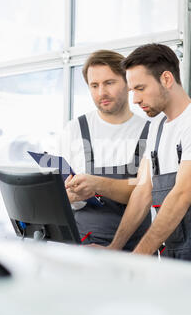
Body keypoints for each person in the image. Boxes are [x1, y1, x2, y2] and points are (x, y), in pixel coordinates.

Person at [88, 43, 191, 270]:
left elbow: (181, 195)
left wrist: (137, 257)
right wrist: (115, 249)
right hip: (173, 259)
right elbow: (142, 191)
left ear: (167, 79)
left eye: (140, 88)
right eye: (132, 91)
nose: (135, 100)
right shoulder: (157, 127)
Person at [58, 49, 151, 250]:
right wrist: (72, 196)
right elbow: (59, 195)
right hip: (83, 248)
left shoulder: (149, 131)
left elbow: (142, 191)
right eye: (94, 85)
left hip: (134, 252)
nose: (102, 93)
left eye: (109, 83)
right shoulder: (74, 130)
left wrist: (96, 184)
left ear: (127, 83)